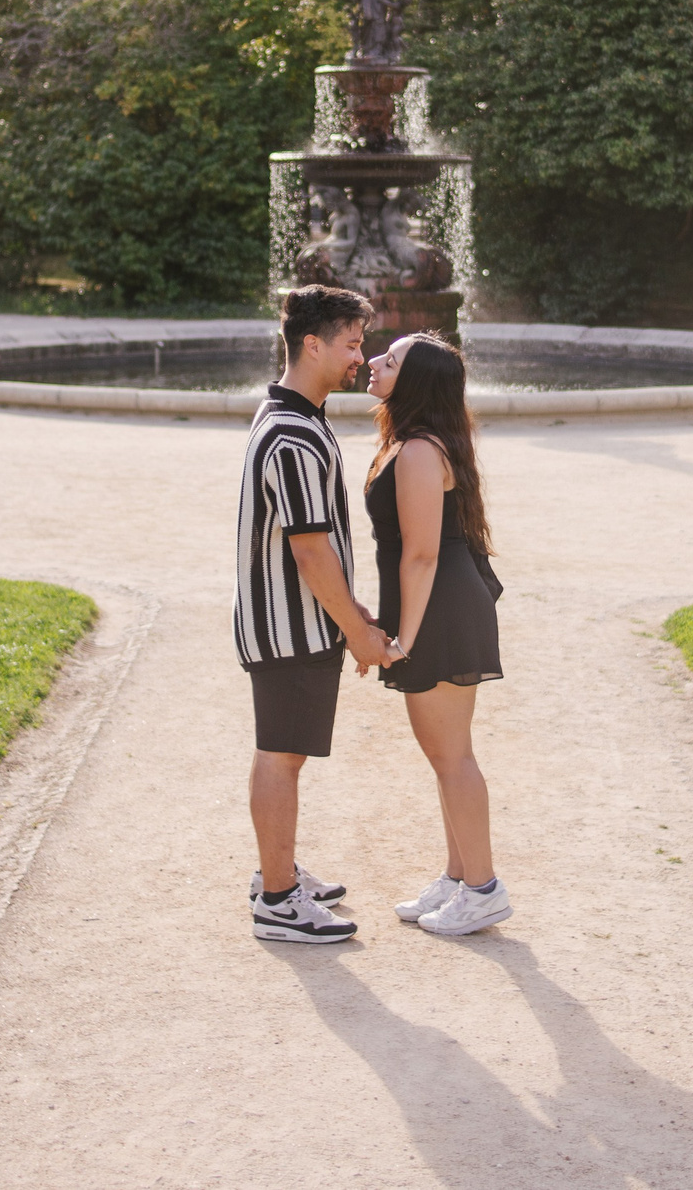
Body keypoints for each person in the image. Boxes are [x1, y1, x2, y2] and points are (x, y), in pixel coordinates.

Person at [238, 284, 393, 943]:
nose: (360, 356)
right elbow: (310, 551)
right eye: (352, 343)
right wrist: (358, 628)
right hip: (291, 626)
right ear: (313, 342)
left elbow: (316, 542)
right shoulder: (293, 433)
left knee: (284, 752)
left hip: (289, 623)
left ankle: (277, 871)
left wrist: (351, 616)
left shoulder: (293, 418)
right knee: (282, 754)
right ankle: (276, 898)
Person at [363, 332, 510, 936]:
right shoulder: (420, 442)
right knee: (445, 755)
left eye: (390, 360)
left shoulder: (421, 452)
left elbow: (421, 556)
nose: (374, 362)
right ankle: (458, 878)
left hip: (438, 611)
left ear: (415, 381)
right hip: (439, 606)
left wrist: (402, 640)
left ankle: (484, 889)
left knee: (452, 757)